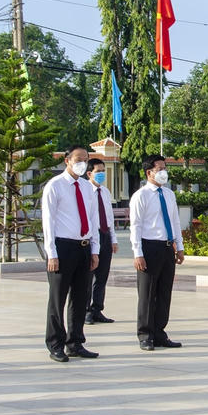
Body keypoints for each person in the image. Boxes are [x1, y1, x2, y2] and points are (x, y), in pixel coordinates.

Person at [42, 145, 100, 362]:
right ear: (66, 160)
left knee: (80, 297)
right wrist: (52, 253)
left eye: (85, 159)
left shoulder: (87, 188)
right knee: (58, 298)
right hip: (62, 247)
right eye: (78, 159)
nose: (82, 163)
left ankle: (75, 342)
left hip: (83, 247)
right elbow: (48, 222)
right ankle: (55, 343)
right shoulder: (54, 186)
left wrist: (95, 249)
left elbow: (93, 220)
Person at [129, 155, 185, 351]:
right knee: (147, 293)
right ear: (149, 173)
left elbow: (175, 221)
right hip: (149, 247)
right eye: (159, 169)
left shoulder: (169, 194)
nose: (164, 172)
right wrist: (138, 253)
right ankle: (145, 334)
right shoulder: (141, 196)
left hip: (167, 247)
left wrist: (180, 246)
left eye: (165, 168)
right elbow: (135, 226)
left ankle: (160, 332)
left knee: (164, 293)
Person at [84, 158, 118, 326]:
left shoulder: (105, 191)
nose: (102, 174)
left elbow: (109, 216)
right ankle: (86, 311)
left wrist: (113, 238)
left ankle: (97, 309)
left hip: (104, 235)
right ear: (89, 173)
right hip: (91, 236)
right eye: (98, 171)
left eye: (103, 171)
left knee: (102, 275)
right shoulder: (84, 191)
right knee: (88, 275)